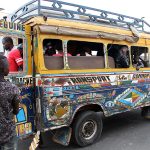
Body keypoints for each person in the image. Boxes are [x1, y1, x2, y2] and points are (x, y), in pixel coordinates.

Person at [0, 55, 20, 150]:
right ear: (4, 70)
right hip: (8, 133)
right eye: (8, 66)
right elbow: (16, 111)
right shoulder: (12, 88)